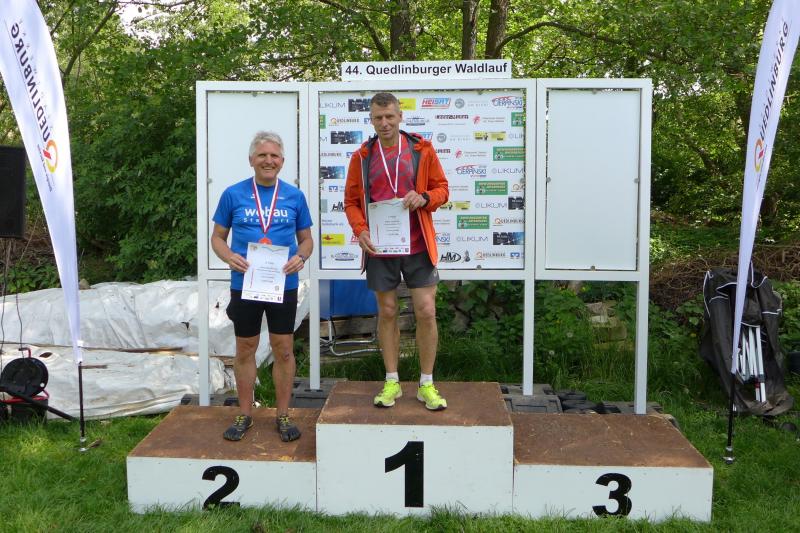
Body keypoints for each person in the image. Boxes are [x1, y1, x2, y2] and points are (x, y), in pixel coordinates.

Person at [344, 92, 449, 411]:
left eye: (390, 116)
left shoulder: (421, 149)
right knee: (387, 311)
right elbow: (351, 202)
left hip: (417, 244)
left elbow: (442, 189)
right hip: (380, 245)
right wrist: (360, 229)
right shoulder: (362, 156)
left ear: (400, 116)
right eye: (378, 118)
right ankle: (392, 381)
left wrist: (425, 198)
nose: (385, 123)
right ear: (371, 119)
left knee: (426, 311)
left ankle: (426, 384)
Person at [211, 131, 313, 441]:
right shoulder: (233, 194)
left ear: (282, 161)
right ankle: (244, 414)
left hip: (283, 283)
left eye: (274, 156)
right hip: (246, 283)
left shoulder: (294, 196)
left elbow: (306, 240)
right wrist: (229, 256)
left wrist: (300, 258)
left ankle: (283, 415)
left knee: (284, 350)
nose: (268, 161)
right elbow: (218, 238)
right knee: (245, 348)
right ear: (251, 160)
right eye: (262, 155)